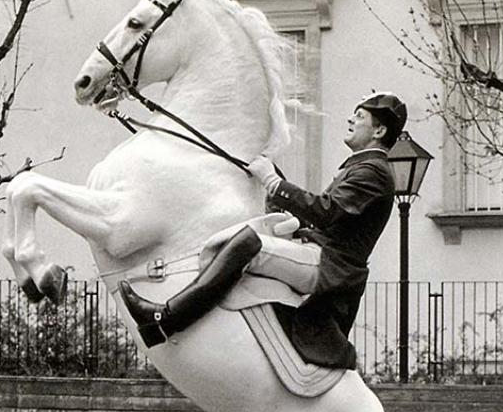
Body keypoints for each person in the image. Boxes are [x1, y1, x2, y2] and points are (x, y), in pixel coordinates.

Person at [119, 92, 407, 369]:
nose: (350, 120)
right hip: (321, 255)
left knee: (249, 244)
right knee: (243, 236)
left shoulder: (374, 170)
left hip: (329, 266)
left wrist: (273, 182)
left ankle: (165, 319)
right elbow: (331, 219)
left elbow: (326, 212)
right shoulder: (363, 166)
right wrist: (285, 209)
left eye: (359, 116)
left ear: (379, 131)